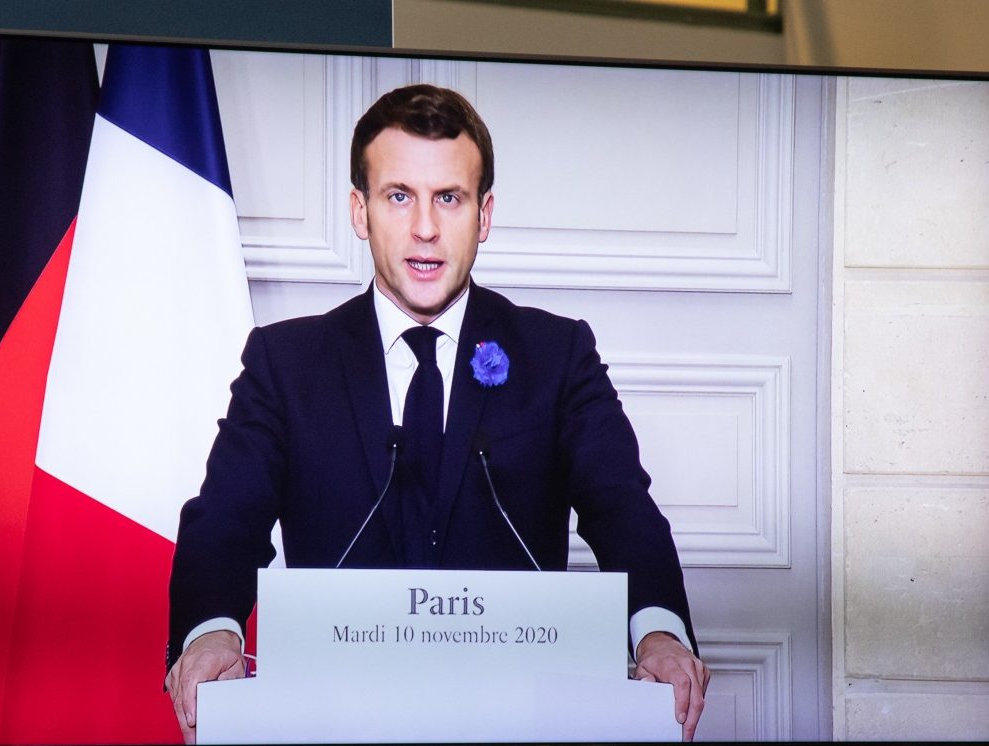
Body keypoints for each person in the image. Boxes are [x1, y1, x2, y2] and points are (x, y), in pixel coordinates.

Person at [165, 83, 710, 742]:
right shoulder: (286, 363)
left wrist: (658, 632)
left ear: (483, 216)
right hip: (334, 719)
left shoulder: (556, 354)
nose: (425, 227)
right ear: (360, 211)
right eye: (400, 196)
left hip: (518, 719)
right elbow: (224, 520)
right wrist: (212, 631)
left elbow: (622, 508)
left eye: (448, 198)